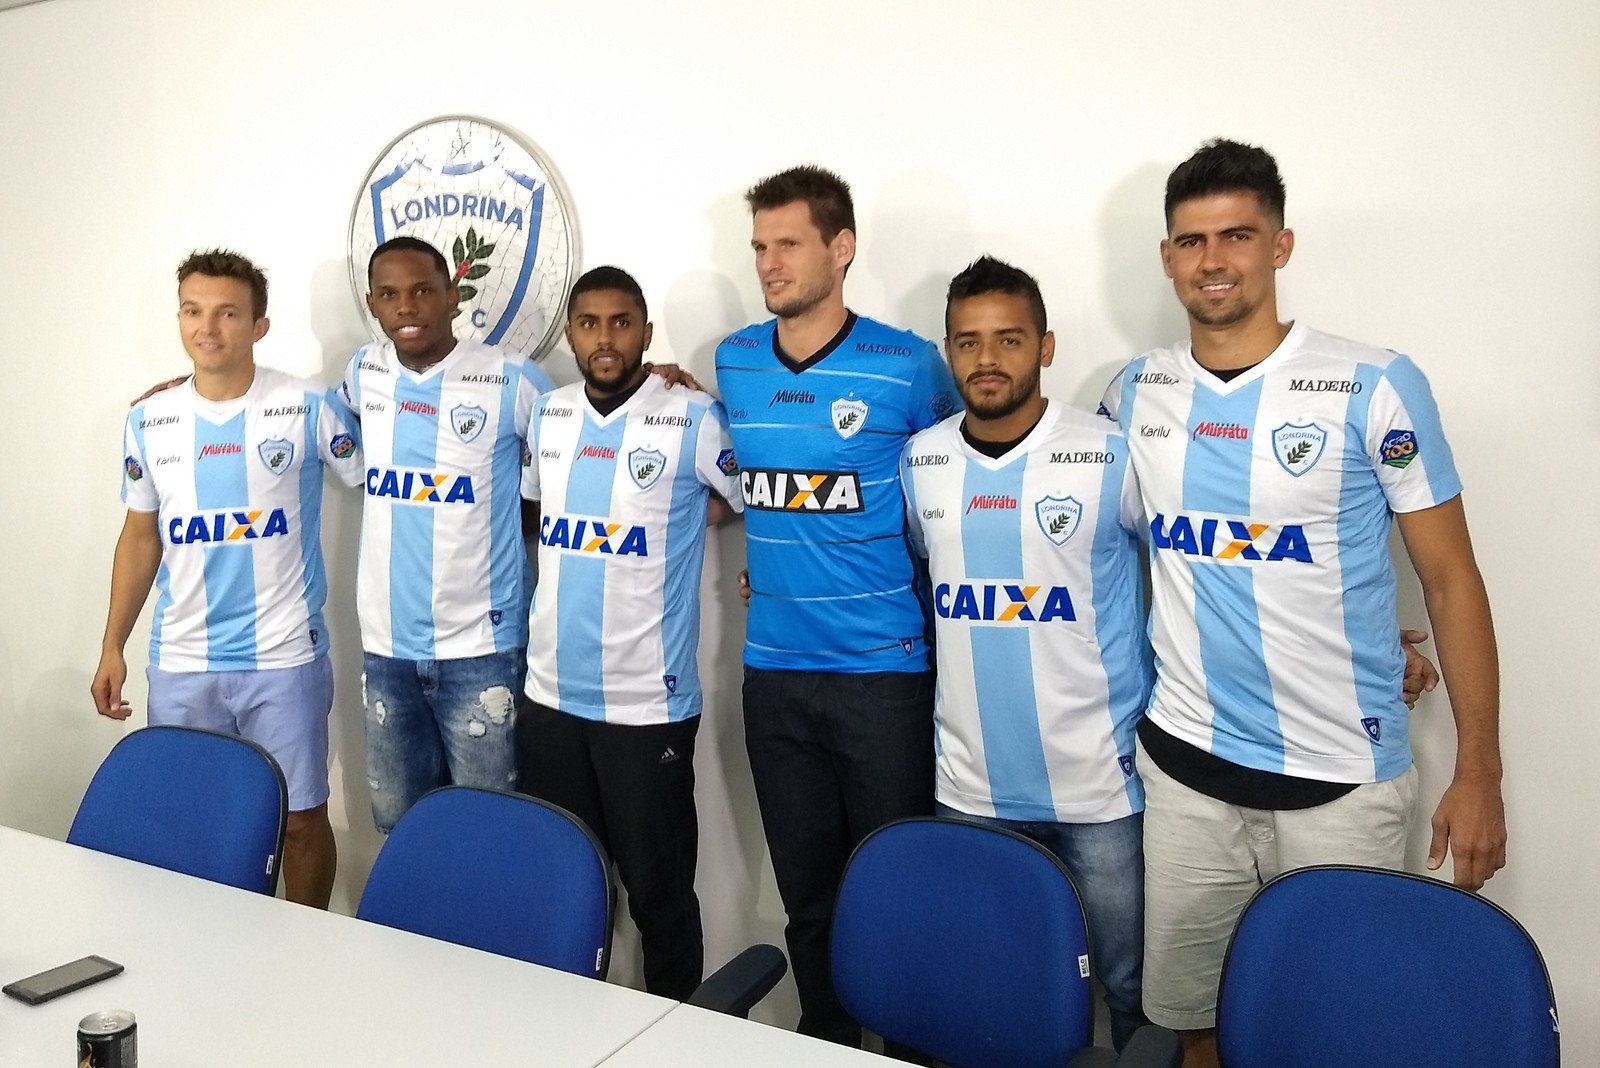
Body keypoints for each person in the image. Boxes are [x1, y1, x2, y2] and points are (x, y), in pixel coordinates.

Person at [1100, 139, 1506, 1066]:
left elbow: (1451, 577)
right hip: (1185, 770)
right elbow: (1094, 553)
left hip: (1338, 784)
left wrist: (1479, 771)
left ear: (1279, 246)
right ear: (1167, 257)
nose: (1214, 260)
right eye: (1192, 241)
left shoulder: (1374, 384)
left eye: (1236, 235)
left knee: (1333, 1032)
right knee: (1197, 1025)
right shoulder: (1137, 392)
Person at [715, 166, 961, 1043]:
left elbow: (958, 484)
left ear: (841, 248)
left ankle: (914, 1045)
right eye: (759, 247)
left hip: (882, 678)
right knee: (808, 901)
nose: (769, 263)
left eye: (787, 244)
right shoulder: (735, 360)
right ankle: (827, 1043)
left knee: (899, 893)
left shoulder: (908, 366)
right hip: (774, 678)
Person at [902, 256, 1152, 1050]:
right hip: (970, 789)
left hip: (1100, 791)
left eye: (1008, 339)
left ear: (1045, 347)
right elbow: (915, 571)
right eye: (968, 342)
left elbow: (1196, 572)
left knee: (1132, 993)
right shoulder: (924, 461)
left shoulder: (1109, 454)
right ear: (947, 352)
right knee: (994, 987)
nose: (987, 359)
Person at [91, 249, 363, 908]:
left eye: (227, 314)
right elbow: (139, 537)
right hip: (183, 664)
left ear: (259, 326)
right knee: (192, 826)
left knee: (299, 824)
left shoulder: (305, 407)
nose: (207, 328)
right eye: (192, 311)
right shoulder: (149, 421)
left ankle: (301, 955)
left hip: (284, 661)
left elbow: (384, 480)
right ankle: (204, 958)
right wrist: (111, 647)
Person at [515, 266, 742, 1000]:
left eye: (621, 323)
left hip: (646, 707)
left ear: (645, 332)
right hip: (549, 698)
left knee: (659, 894)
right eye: (589, 323)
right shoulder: (549, 416)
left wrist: (687, 520)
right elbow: (535, 517)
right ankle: (570, 1028)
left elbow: (749, 497)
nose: (605, 339)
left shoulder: (691, 417)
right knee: (563, 889)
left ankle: (675, 1034)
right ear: (572, 332)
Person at [337, 236, 554, 833]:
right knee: (401, 831)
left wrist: (664, 380)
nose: (407, 308)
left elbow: (577, 460)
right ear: (372, 303)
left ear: (452, 297)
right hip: (386, 650)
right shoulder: (364, 372)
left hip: (482, 650)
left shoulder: (515, 381)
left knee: (490, 833)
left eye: (423, 291)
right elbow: (312, 421)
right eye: (390, 295)